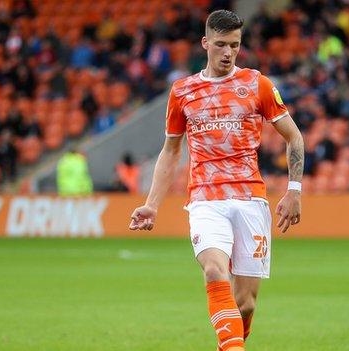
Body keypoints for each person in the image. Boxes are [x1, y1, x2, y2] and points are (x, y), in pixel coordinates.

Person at [128, 10, 304, 351]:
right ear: (205, 43)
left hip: (250, 199)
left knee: (246, 305)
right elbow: (171, 151)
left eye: (235, 46)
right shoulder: (183, 91)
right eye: (221, 44)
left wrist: (293, 190)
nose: (228, 53)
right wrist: (151, 204)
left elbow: (294, 138)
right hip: (206, 200)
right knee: (213, 270)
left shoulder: (258, 84)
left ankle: (233, 340)